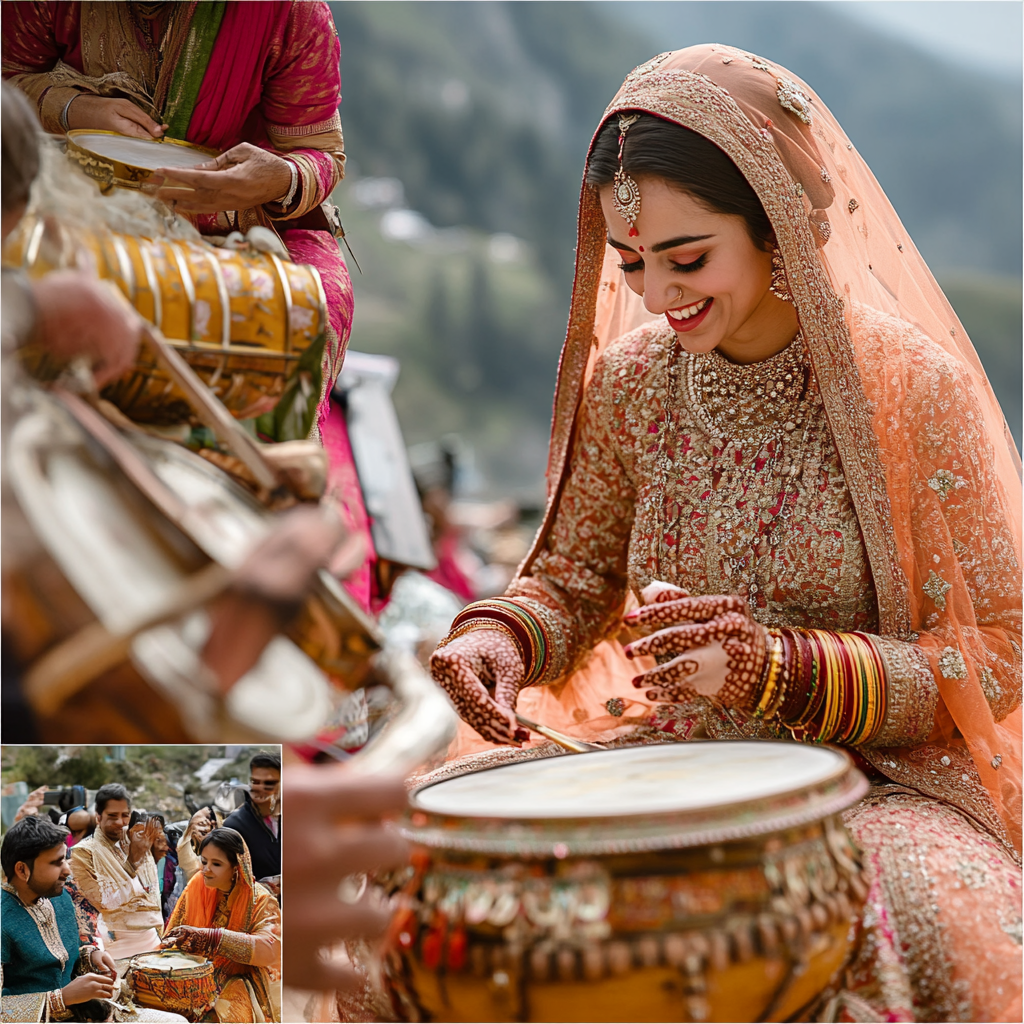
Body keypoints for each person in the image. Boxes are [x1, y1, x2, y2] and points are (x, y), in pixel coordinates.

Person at [429, 46, 1022, 1021]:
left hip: (874, 784)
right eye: (632, 264)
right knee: (411, 882)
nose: (658, 297)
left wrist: (778, 671)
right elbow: (575, 578)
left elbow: (999, 655)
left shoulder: (913, 392)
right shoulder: (629, 383)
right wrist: (500, 633)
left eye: (688, 257)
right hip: (668, 757)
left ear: (779, 224)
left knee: (938, 928)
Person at [2, 1, 375, 611]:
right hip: (62, 184)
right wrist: (75, 108)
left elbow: (319, 155)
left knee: (316, 300)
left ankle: (244, 489)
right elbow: (6, 79)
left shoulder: (287, 13)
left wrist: (277, 178)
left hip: (226, 219)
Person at [1, 815, 184, 1023]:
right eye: (56, 862)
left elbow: (67, 953)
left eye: (65, 858)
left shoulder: (59, 898)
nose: (67, 870)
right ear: (22, 870)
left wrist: (91, 956)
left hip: (83, 1012)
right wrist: (61, 999)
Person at [161, 828, 280, 1023]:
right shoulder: (197, 885)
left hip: (239, 979)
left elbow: (272, 948)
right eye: (204, 861)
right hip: (194, 975)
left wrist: (214, 938)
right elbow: (174, 934)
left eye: (216, 864)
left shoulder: (260, 900)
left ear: (236, 867)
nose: (206, 869)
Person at [69, 785, 164, 960]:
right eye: (112, 816)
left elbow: (152, 894)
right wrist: (133, 863)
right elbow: (104, 903)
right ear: (98, 817)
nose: (120, 822)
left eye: (125, 815)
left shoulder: (137, 841)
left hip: (153, 944)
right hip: (115, 954)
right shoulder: (83, 853)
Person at [221, 753, 280, 888]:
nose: (260, 787)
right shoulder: (233, 827)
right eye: (255, 782)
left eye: (269, 783)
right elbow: (227, 880)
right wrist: (262, 887)